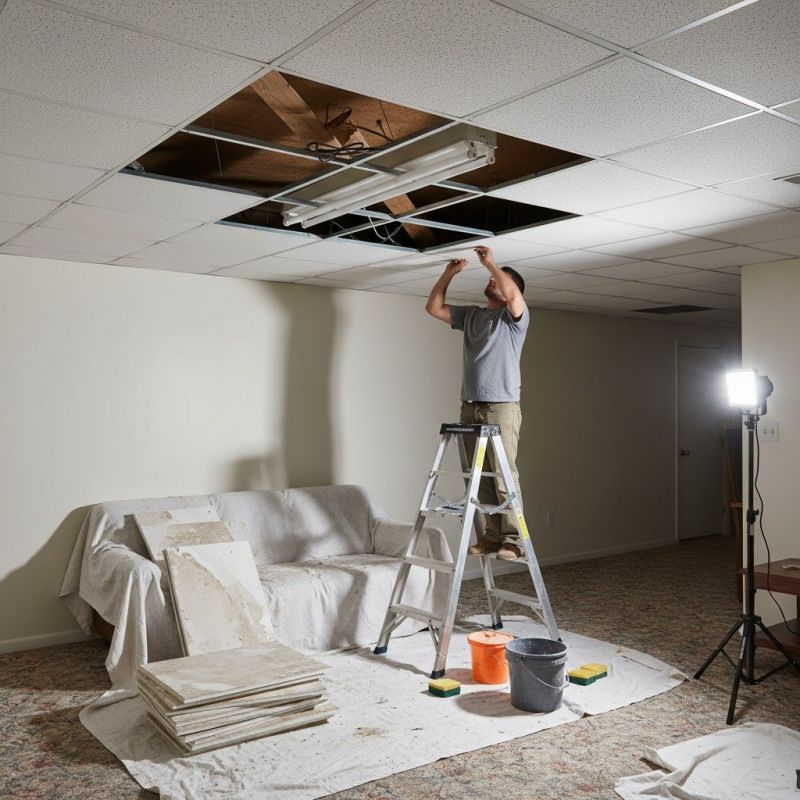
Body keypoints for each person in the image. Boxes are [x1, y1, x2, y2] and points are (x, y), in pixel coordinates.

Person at [425, 245, 529, 561]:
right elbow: (433, 307)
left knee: (503, 474)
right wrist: (449, 273)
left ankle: (515, 540)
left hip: (501, 406)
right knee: (479, 476)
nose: (493, 282)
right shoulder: (472, 315)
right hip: (470, 405)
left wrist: (491, 264)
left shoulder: (515, 320)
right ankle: (492, 537)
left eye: (500, 280)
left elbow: (512, 296)